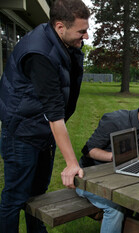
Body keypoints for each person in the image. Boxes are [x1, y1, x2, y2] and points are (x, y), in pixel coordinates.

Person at [0, 1, 90, 232]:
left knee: (38, 195)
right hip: (21, 133)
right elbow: (54, 113)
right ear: (60, 26)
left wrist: (76, 47)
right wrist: (71, 163)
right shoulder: (39, 53)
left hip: (41, 131)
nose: (86, 35)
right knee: (16, 197)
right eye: (81, 31)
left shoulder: (62, 43)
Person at [76, 96, 139, 233]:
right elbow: (88, 150)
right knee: (115, 207)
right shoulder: (113, 120)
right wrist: (115, 157)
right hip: (87, 178)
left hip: (118, 176)